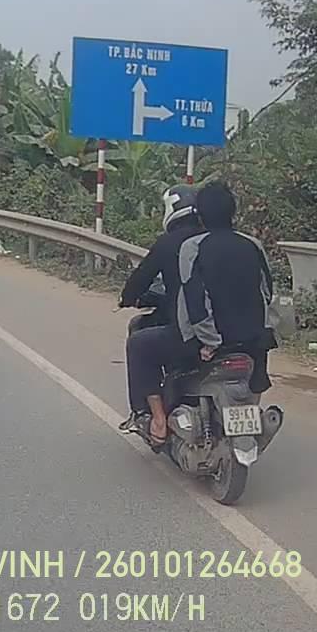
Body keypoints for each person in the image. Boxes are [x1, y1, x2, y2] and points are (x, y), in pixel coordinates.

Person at [117, 185, 206, 445]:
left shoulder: (169, 242)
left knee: (139, 342)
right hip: (232, 332)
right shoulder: (215, 238)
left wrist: (128, 297)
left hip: (190, 331)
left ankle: (152, 417)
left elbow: (141, 278)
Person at [176, 181, 276, 394]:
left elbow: (195, 301)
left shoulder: (192, 247)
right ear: (233, 212)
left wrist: (211, 342)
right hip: (254, 343)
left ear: (200, 215)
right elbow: (267, 292)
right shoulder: (253, 245)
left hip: (212, 344)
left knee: (167, 366)